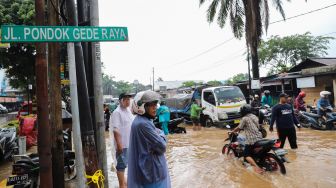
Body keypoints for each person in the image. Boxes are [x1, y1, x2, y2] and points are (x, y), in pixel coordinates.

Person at [128, 91, 171, 188]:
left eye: (155, 104)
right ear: (142, 107)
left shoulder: (143, 121)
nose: (155, 107)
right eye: (151, 105)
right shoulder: (143, 124)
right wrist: (162, 134)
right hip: (152, 172)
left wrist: (159, 133)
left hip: (149, 169)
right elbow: (162, 146)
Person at [111, 93, 134, 188]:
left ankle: (126, 184)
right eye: (125, 99)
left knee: (125, 166)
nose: (127, 101)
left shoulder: (128, 111)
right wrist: (119, 145)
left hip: (129, 144)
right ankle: (122, 185)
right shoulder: (117, 112)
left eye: (129, 99)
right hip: (122, 145)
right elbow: (115, 130)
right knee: (121, 167)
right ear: (120, 100)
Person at [232, 104, 264, 174]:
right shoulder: (254, 116)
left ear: (243, 111)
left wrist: (233, 131)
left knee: (246, 155)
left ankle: (257, 167)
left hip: (252, 139)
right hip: (260, 137)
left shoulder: (244, 118)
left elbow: (239, 128)